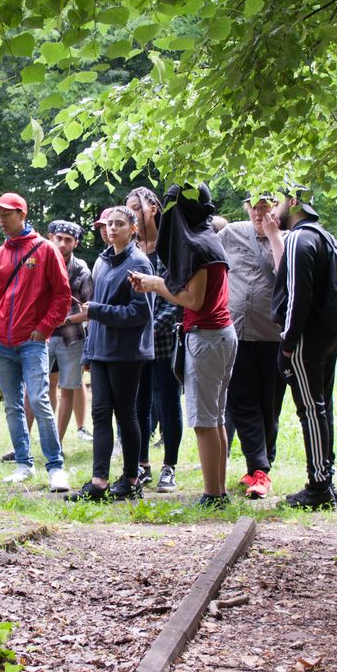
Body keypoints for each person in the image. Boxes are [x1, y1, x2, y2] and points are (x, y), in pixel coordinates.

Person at [130, 183, 235, 509]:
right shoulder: (209, 240)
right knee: (215, 418)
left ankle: (212, 495)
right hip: (220, 336)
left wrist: (155, 284)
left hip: (206, 337)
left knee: (204, 422)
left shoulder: (198, 247)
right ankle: (218, 493)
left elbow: (194, 299)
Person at [0, 192, 72, 493]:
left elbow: (62, 294)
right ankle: (24, 464)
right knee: (12, 405)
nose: (1, 219)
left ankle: (56, 467)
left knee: (38, 400)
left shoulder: (45, 249)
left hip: (33, 341)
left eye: (7, 214)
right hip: (2, 343)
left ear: (22, 215)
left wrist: (44, 328)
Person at [67, 206, 154, 501]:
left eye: (119, 224)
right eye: (108, 224)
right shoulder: (103, 261)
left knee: (126, 414)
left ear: (133, 229)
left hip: (127, 353)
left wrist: (98, 311)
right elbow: (94, 312)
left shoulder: (139, 263)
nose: (112, 229)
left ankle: (131, 478)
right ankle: (99, 481)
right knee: (100, 413)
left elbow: (140, 312)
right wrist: (88, 353)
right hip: (101, 351)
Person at [271, 186, 337, 510]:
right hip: (328, 335)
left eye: (277, 201)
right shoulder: (322, 236)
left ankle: (318, 486)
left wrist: (287, 345)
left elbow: (297, 297)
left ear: (294, 201)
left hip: (305, 339)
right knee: (322, 406)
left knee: (311, 410)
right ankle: (325, 478)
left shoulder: (299, 239)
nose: (273, 210)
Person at [218, 191, 287, 499]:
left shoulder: (287, 238)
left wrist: (274, 235)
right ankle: (259, 468)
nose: (260, 213)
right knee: (242, 403)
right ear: (245, 208)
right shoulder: (230, 233)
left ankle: (260, 468)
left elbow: (287, 275)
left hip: (273, 335)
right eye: (254, 207)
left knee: (269, 406)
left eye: (266, 207)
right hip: (236, 333)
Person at [125, 187, 183, 492]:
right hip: (135, 341)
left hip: (163, 337)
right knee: (139, 403)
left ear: (154, 209)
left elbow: (176, 296)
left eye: (137, 207)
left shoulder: (171, 246)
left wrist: (154, 328)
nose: (132, 212)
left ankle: (169, 466)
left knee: (169, 401)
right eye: (128, 208)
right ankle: (142, 464)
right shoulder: (131, 249)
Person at [21, 220, 93, 449]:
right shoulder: (36, 261)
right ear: (50, 236)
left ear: (76, 243)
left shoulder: (81, 269)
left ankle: (57, 445)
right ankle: (21, 444)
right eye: (58, 238)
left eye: (68, 240)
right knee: (32, 388)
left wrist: (64, 319)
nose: (62, 243)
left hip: (70, 338)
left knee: (69, 388)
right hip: (39, 335)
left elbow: (90, 309)